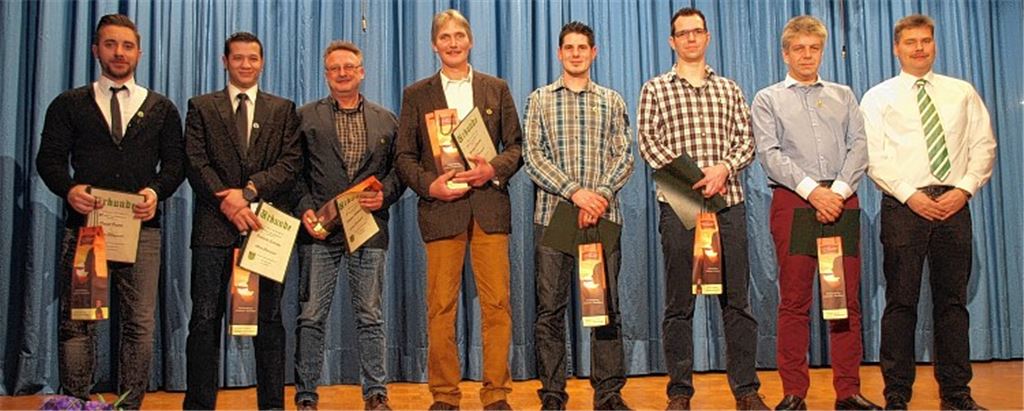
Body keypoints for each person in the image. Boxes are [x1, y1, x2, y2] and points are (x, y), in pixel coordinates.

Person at [35, 13, 186, 410]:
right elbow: (49, 160)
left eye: (127, 46)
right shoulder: (68, 104)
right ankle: (76, 402)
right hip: (87, 230)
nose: (119, 53)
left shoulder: (162, 109)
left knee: (139, 325)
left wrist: (157, 191)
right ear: (95, 49)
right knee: (78, 323)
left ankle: (128, 405)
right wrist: (69, 190)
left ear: (138, 52)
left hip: (143, 231)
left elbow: (175, 166)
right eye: (110, 44)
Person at [861, 14, 996, 411]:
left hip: (955, 204)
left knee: (952, 304)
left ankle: (956, 394)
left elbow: (983, 146)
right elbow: (874, 156)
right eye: (910, 42)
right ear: (896, 49)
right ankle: (897, 396)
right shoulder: (879, 97)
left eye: (925, 41)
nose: (919, 48)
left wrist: (964, 189)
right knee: (900, 303)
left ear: (934, 45)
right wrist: (909, 195)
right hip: (904, 206)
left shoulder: (962, 92)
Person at [636, 7, 769, 411]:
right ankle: (679, 392)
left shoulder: (729, 89)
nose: (691, 38)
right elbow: (648, 142)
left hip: (728, 204)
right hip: (679, 205)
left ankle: (746, 390)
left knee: (737, 302)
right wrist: (692, 178)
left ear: (707, 37)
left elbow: (747, 140)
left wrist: (723, 168)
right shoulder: (655, 89)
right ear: (672, 41)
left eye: (697, 31)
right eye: (683, 33)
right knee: (679, 304)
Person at [393, 9, 523, 411]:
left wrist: (493, 170)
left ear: (470, 41)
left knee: (497, 304)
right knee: (441, 306)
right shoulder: (417, 94)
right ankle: (445, 395)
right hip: (440, 210)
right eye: (445, 37)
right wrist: (428, 185)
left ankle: (497, 394)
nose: (452, 43)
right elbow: (404, 155)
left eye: (459, 36)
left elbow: (516, 147)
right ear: (434, 44)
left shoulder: (495, 88)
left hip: (488, 209)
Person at [751, 15, 881, 411]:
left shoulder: (844, 95)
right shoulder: (767, 99)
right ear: (785, 53)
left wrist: (837, 191)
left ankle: (848, 391)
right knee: (793, 301)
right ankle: (794, 392)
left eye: (813, 48)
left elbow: (858, 146)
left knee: (845, 301)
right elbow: (769, 154)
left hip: (842, 200)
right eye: (799, 49)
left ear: (821, 51)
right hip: (794, 202)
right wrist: (812, 192)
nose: (807, 56)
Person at [182, 31, 302, 410]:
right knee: (203, 322)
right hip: (213, 230)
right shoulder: (201, 107)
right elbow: (195, 162)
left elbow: (290, 164)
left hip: (264, 230)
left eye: (253, 58)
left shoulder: (283, 109)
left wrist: (248, 192)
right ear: (225, 61)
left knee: (269, 323)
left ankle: (271, 405)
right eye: (238, 58)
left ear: (262, 62)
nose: (246, 64)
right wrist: (227, 201)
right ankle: (199, 405)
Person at [522, 21, 635, 411]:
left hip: (602, 218)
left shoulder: (612, 100)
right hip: (555, 215)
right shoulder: (539, 99)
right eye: (568, 47)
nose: (575, 53)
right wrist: (575, 192)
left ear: (593, 53)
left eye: (582, 47)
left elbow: (624, 156)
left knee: (605, 308)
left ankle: (607, 393)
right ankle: (553, 393)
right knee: (549, 310)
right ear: (559, 53)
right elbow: (532, 156)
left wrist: (598, 197)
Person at [292, 40, 403, 411]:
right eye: (334, 68)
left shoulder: (387, 119)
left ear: (362, 72)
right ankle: (306, 396)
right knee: (311, 316)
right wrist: (306, 208)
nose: (342, 73)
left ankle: (376, 394)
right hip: (320, 233)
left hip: (367, 229)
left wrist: (384, 194)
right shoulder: (305, 117)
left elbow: (397, 174)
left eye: (349, 67)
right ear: (326, 74)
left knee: (370, 315)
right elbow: (295, 174)